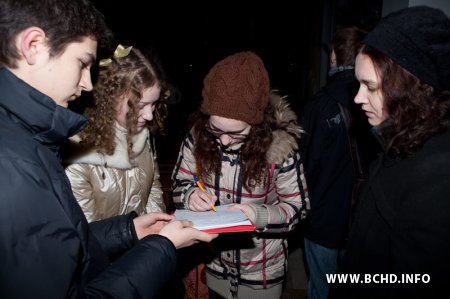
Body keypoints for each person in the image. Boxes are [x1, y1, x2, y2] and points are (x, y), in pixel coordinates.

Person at [0, 1, 216, 298]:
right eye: (82, 63)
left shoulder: (35, 138)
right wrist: (158, 248)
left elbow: (73, 240)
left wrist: (133, 232)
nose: (89, 83)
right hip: (119, 271)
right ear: (33, 45)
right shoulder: (39, 155)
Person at [329, 6, 450, 299]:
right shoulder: (400, 140)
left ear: (408, 89)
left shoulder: (436, 172)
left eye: (369, 86)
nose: (357, 98)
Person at [171, 51, 310, 299]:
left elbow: (298, 208)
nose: (224, 141)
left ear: (257, 124)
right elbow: (180, 181)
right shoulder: (198, 137)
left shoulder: (280, 147)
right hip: (214, 265)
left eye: (236, 133)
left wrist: (258, 216)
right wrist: (190, 195)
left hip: (262, 273)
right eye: (216, 129)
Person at [299, 26, 378, 299]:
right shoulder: (377, 102)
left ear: (333, 56)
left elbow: (303, 167)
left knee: (321, 289)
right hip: (361, 221)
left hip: (322, 221)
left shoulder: (319, 105)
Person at [64, 45, 168, 222]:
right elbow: (88, 231)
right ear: (110, 98)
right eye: (140, 106)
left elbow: (153, 193)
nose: (150, 115)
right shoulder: (77, 149)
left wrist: (158, 236)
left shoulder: (143, 135)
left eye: (153, 104)